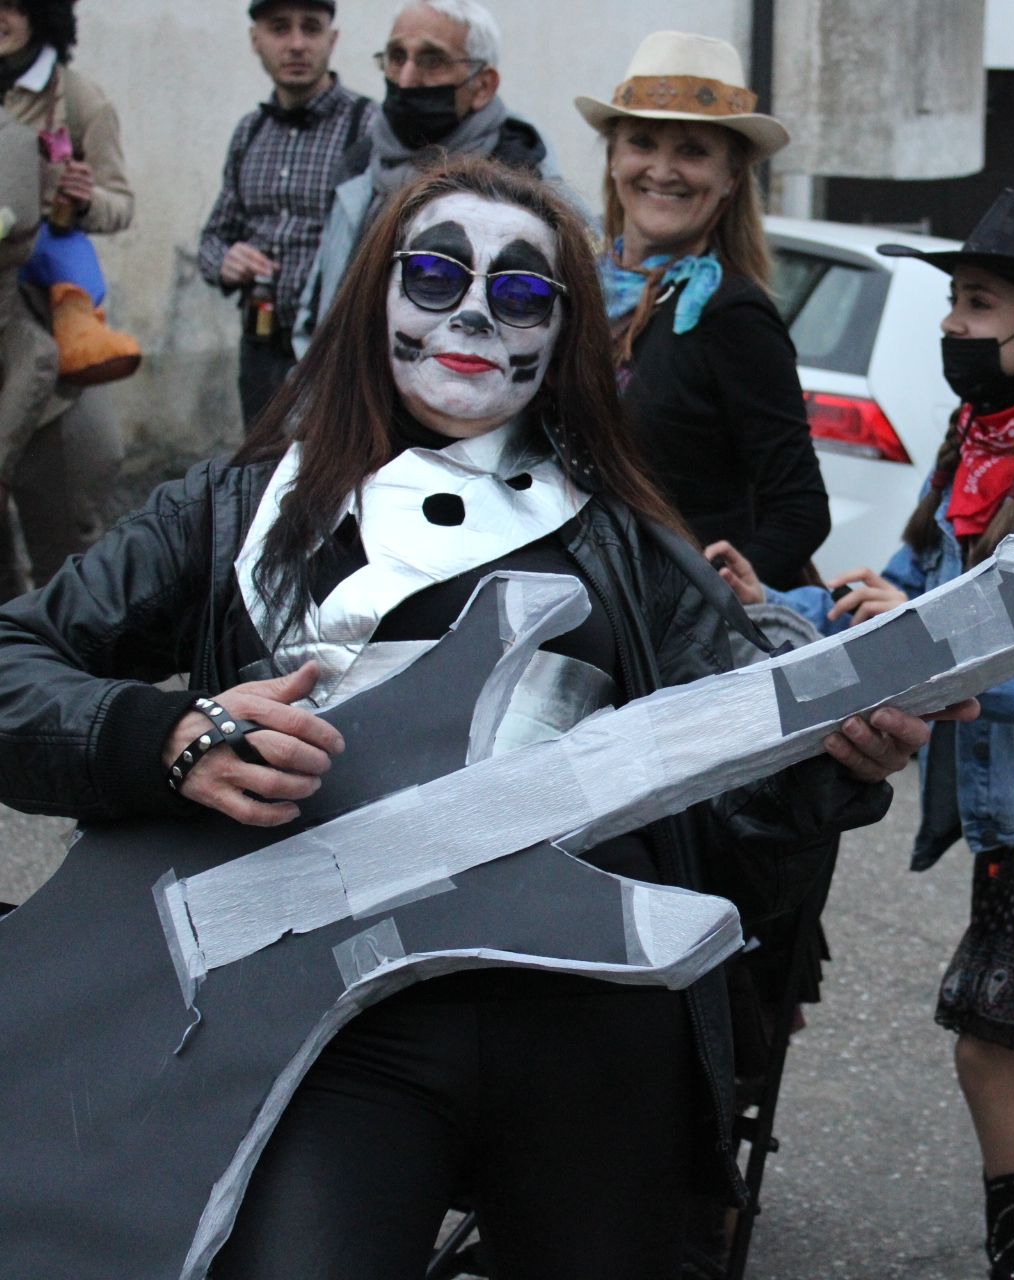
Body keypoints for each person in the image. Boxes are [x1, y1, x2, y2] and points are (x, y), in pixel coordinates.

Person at [0, 154, 959, 1277]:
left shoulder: (626, 543)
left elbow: (746, 808)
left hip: (589, 1020)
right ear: (375, 295)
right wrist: (167, 738)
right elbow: (16, 658)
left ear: (562, 333)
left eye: (518, 293)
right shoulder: (230, 514)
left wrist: (843, 755)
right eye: (435, 275)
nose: (470, 314)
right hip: (332, 1029)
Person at [711, 188, 1014, 1280]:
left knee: (994, 1053)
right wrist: (774, 599)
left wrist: (939, 651)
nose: (951, 324)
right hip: (1011, 828)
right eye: (954, 299)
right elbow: (897, 594)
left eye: (977, 302)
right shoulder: (972, 454)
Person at [575, 30, 828, 591]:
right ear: (613, 159)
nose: (662, 170)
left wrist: (716, 593)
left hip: (667, 623)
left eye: (692, 151)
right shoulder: (573, 292)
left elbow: (800, 509)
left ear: (730, 178)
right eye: (642, 143)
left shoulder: (732, 317)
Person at [294, 0, 582, 352]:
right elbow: (319, 304)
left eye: (432, 61)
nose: (406, 79)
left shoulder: (529, 182)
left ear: (482, 86)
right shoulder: (360, 169)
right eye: (397, 57)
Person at [0, 0, 127, 600]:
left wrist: (84, 199)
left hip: (49, 316)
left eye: (11, 5)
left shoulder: (77, 99)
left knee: (68, 507)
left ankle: (68, 637)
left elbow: (120, 204)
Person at [197, 0, 373, 428]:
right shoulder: (250, 131)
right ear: (255, 40)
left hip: (334, 350)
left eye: (310, 29)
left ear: (332, 40)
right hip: (260, 346)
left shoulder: (367, 127)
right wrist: (226, 261)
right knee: (259, 464)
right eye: (279, 28)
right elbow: (213, 237)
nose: (296, 44)